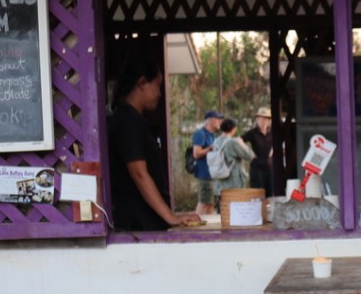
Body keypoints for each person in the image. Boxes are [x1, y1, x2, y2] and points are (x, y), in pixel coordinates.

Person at [108, 57, 200, 231]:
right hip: (136, 224)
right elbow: (139, 173)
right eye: (157, 86)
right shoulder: (127, 122)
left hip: (143, 221)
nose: (159, 93)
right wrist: (171, 217)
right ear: (142, 83)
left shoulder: (134, 119)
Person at [212, 117, 255, 200]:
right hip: (233, 182)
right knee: (235, 206)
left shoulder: (215, 142)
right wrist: (241, 143)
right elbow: (250, 155)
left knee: (222, 206)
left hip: (219, 182)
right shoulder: (233, 142)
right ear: (233, 129)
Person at [192, 109, 223, 215]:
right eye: (217, 119)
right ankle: (197, 223)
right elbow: (196, 154)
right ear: (209, 121)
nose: (219, 121)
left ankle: (207, 224)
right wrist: (210, 148)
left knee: (210, 203)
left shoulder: (213, 135)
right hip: (205, 174)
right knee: (204, 202)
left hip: (213, 174)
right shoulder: (200, 133)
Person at [242, 106, 274, 197]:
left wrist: (273, 149)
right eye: (260, 118)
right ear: (257, 119)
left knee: (270, 194)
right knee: (257, 195)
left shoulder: (272, 133)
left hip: (270, 168)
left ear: (269, 120)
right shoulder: (252, 133)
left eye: (266, 118)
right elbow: (238, 140)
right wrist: (249, 152)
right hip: (257, 168)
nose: (263, 120)